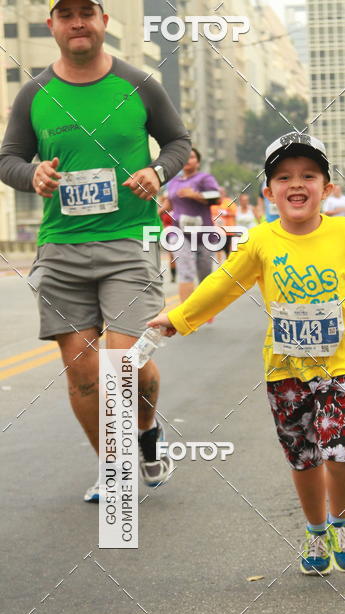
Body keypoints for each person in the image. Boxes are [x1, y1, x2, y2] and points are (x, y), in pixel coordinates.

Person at [148, 133, 345, 575]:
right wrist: (178, 318)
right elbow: (223, 285)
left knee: (340, 445)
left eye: (309, 176)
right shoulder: (260, 241)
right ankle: (316, 531)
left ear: (327, 188)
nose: (297, 184)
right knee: (303, 454)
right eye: (284, 176)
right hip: (285, 367)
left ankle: (342, 520)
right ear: (269, 191)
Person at [0, 0, 190, 501]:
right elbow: (9, 158)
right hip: (61, 247)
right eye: (67, 14)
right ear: (53, 26)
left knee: (125, 364)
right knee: (84, 374)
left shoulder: (140, 84)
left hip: (129, 240)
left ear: (105, 22)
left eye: (87, 11)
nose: (77, 21)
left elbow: (177, 143)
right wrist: (32, 174)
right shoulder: (34, 94)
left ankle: (146, 431)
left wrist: (158, 172)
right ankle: (113, 467)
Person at [160, 147, 219, 303]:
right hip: (180, 233)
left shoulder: (204, 178)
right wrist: (155, 214)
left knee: (205, 273)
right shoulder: (173, 182)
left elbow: (216, 199)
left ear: (198, 162)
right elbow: (169, 204)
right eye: (185, 157)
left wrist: (195, 195)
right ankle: (185, 316)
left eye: (192, 157)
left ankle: (204, 307)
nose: (188, 160)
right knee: (185, 271)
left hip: (204, 234)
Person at [210, 187, 238, 260]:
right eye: (219, 192)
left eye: (222, 192)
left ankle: (229, 266)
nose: (220, 194)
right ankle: (220, 265)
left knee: (229, 251)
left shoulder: (229, 202)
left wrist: (226, 213)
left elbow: (234, 212)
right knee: (218, 249)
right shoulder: (213, 203)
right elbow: (211, 214)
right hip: (218, 231)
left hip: (228, 231)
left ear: (224, 193)